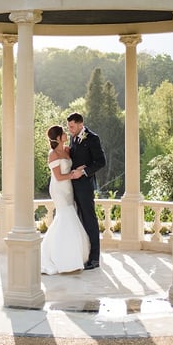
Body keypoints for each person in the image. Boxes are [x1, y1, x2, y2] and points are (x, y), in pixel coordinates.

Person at [40, 125, 90, 275]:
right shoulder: (53, 154)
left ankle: (71, 255)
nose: (65, 134)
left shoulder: (67, 150)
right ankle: (63, 258)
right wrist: (74, 175)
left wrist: (80, 169)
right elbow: (58, 176)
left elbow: (72, 165)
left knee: (68, 216)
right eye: (62, 133)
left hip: (68, 187)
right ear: (58, 137)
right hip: (59, 188)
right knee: (66, 216)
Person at [66, 112, 106, 270]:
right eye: (69, 126)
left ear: (80, 124)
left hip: (85, 186)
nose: (70, 129)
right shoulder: (73, 138)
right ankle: (83, 253)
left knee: (89, 220)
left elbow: (101, 162)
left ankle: (95, 258)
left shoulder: (92, 138)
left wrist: (83, 171)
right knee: (78, 219)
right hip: (72, 186)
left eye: (72, 126)